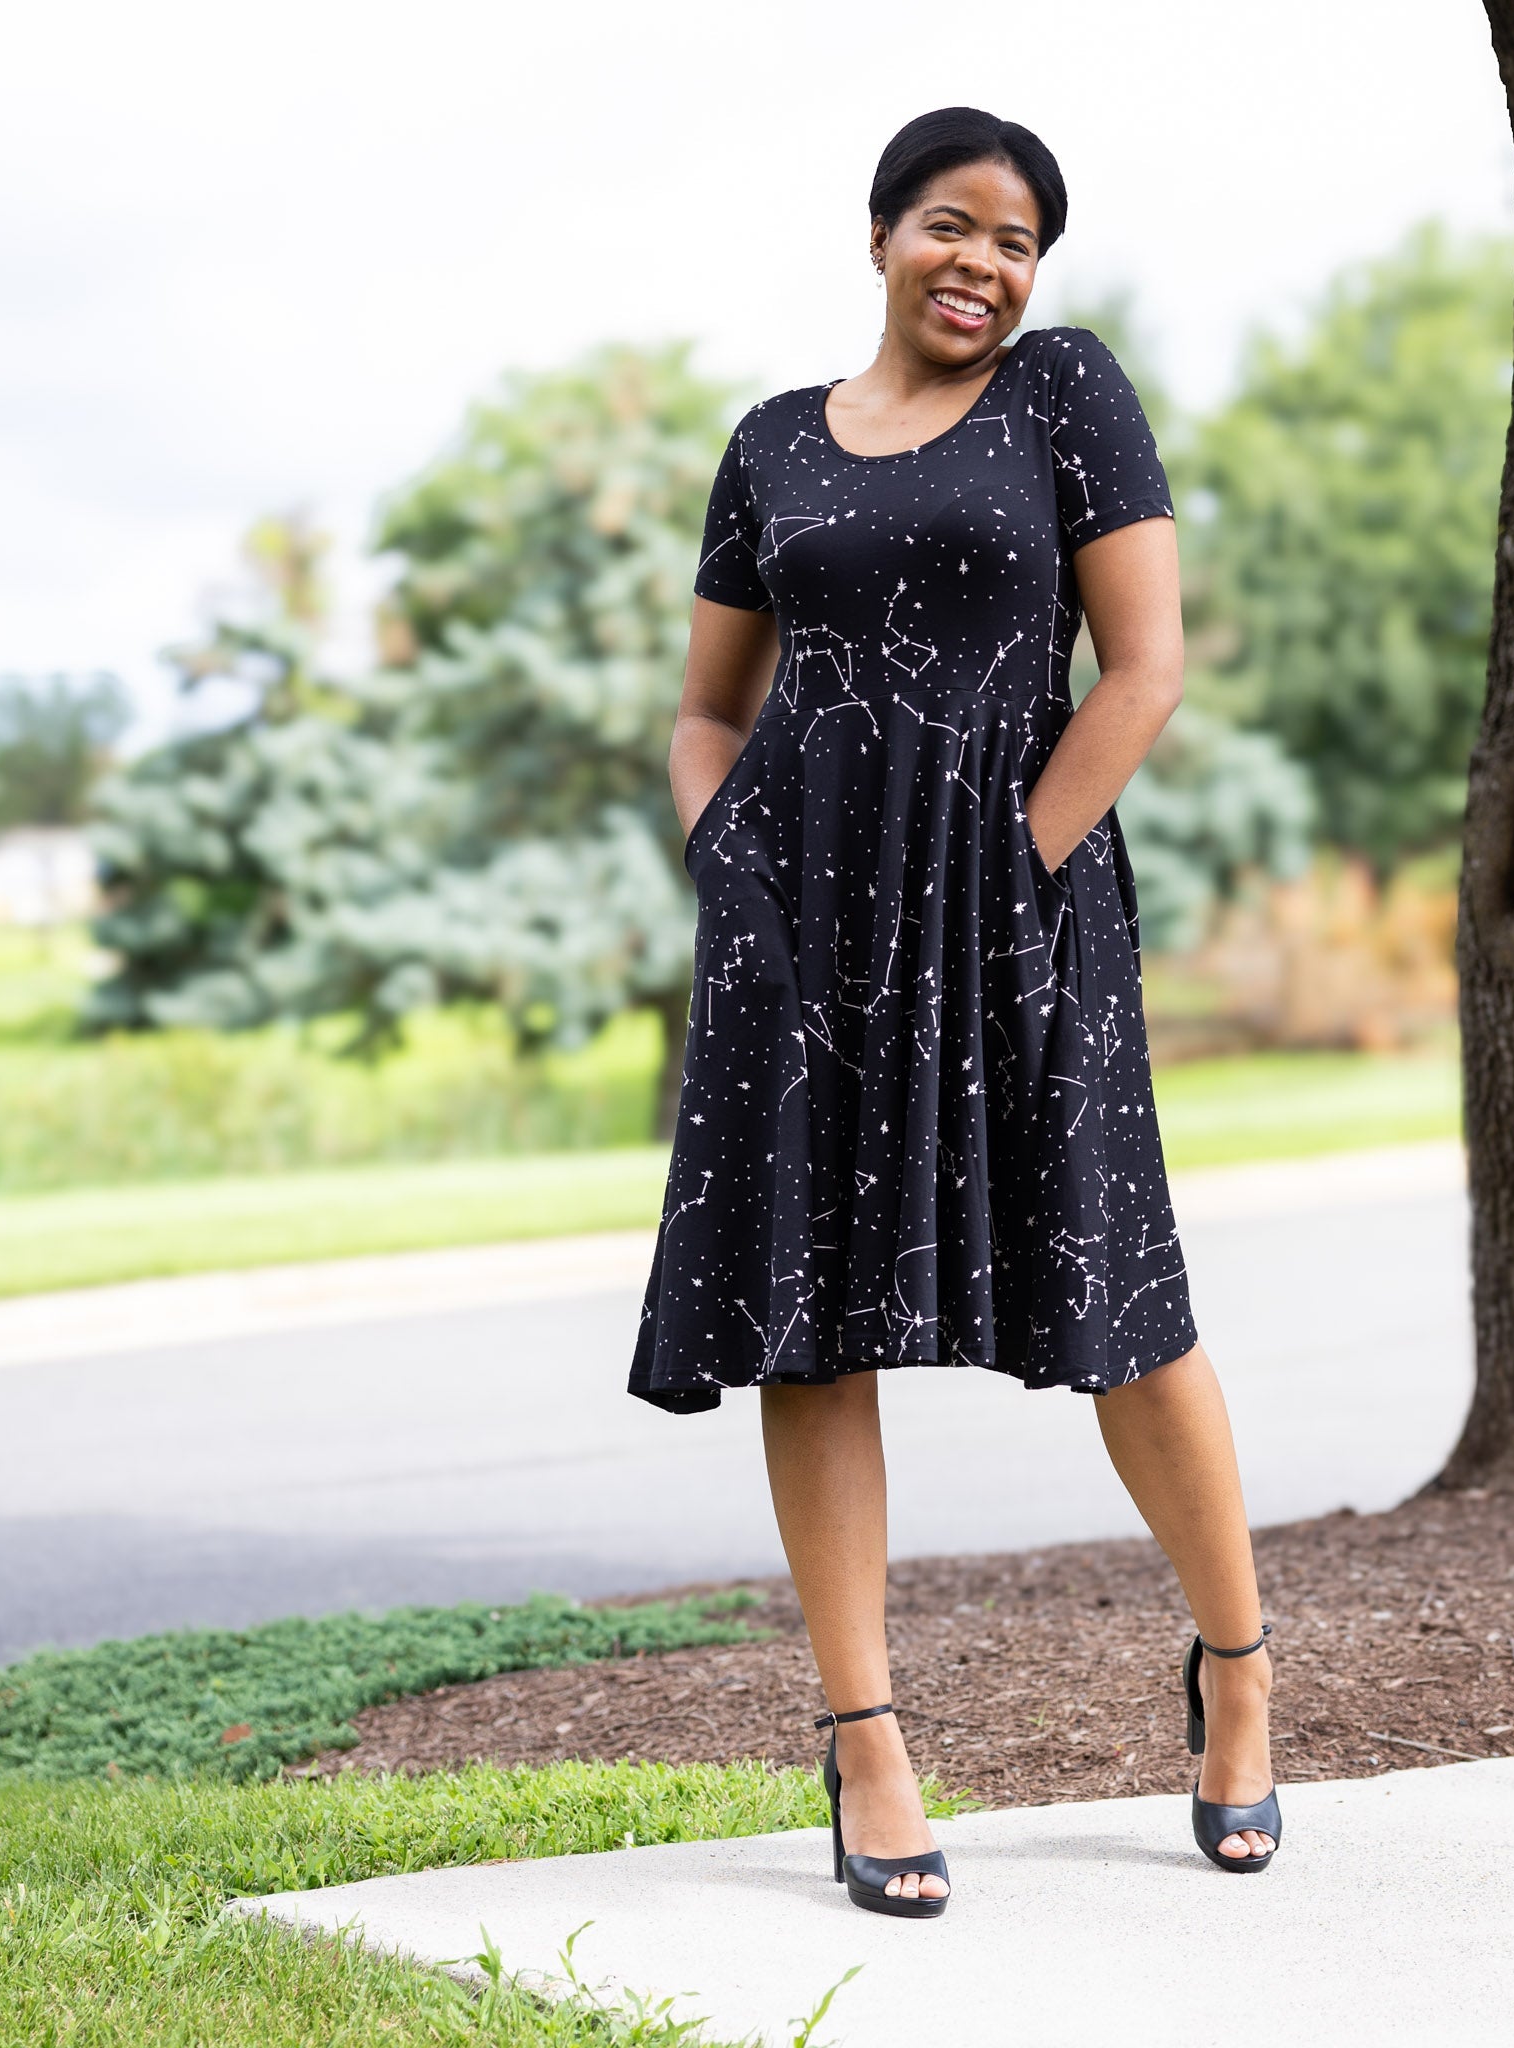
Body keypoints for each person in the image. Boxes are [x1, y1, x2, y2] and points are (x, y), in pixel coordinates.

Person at [629, 106, 1277, 1918]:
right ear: (880, 236)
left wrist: (1023, 867)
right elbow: (704, 711)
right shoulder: (769, 444)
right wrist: (729, 865)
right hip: (799, 935)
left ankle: (1236, 1674)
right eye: (950, 223)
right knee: (811, 1322)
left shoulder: (1066, 393)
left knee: (1122, 1301)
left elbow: (1141, 668)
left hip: (1026, 907)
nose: (982, 261)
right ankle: (867, 1739)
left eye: (1015, 238)